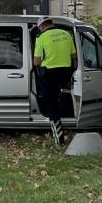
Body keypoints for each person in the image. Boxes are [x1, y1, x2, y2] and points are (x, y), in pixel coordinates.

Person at [33, 17, 77, 146]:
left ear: (41, 27)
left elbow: (36, 62)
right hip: (66, 74)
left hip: (50, 76)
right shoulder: (66, 34)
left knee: (51, 106)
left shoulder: (41, 38)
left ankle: (59, 138)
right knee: (63, 99)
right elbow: (73, 55)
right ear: (51, 24)